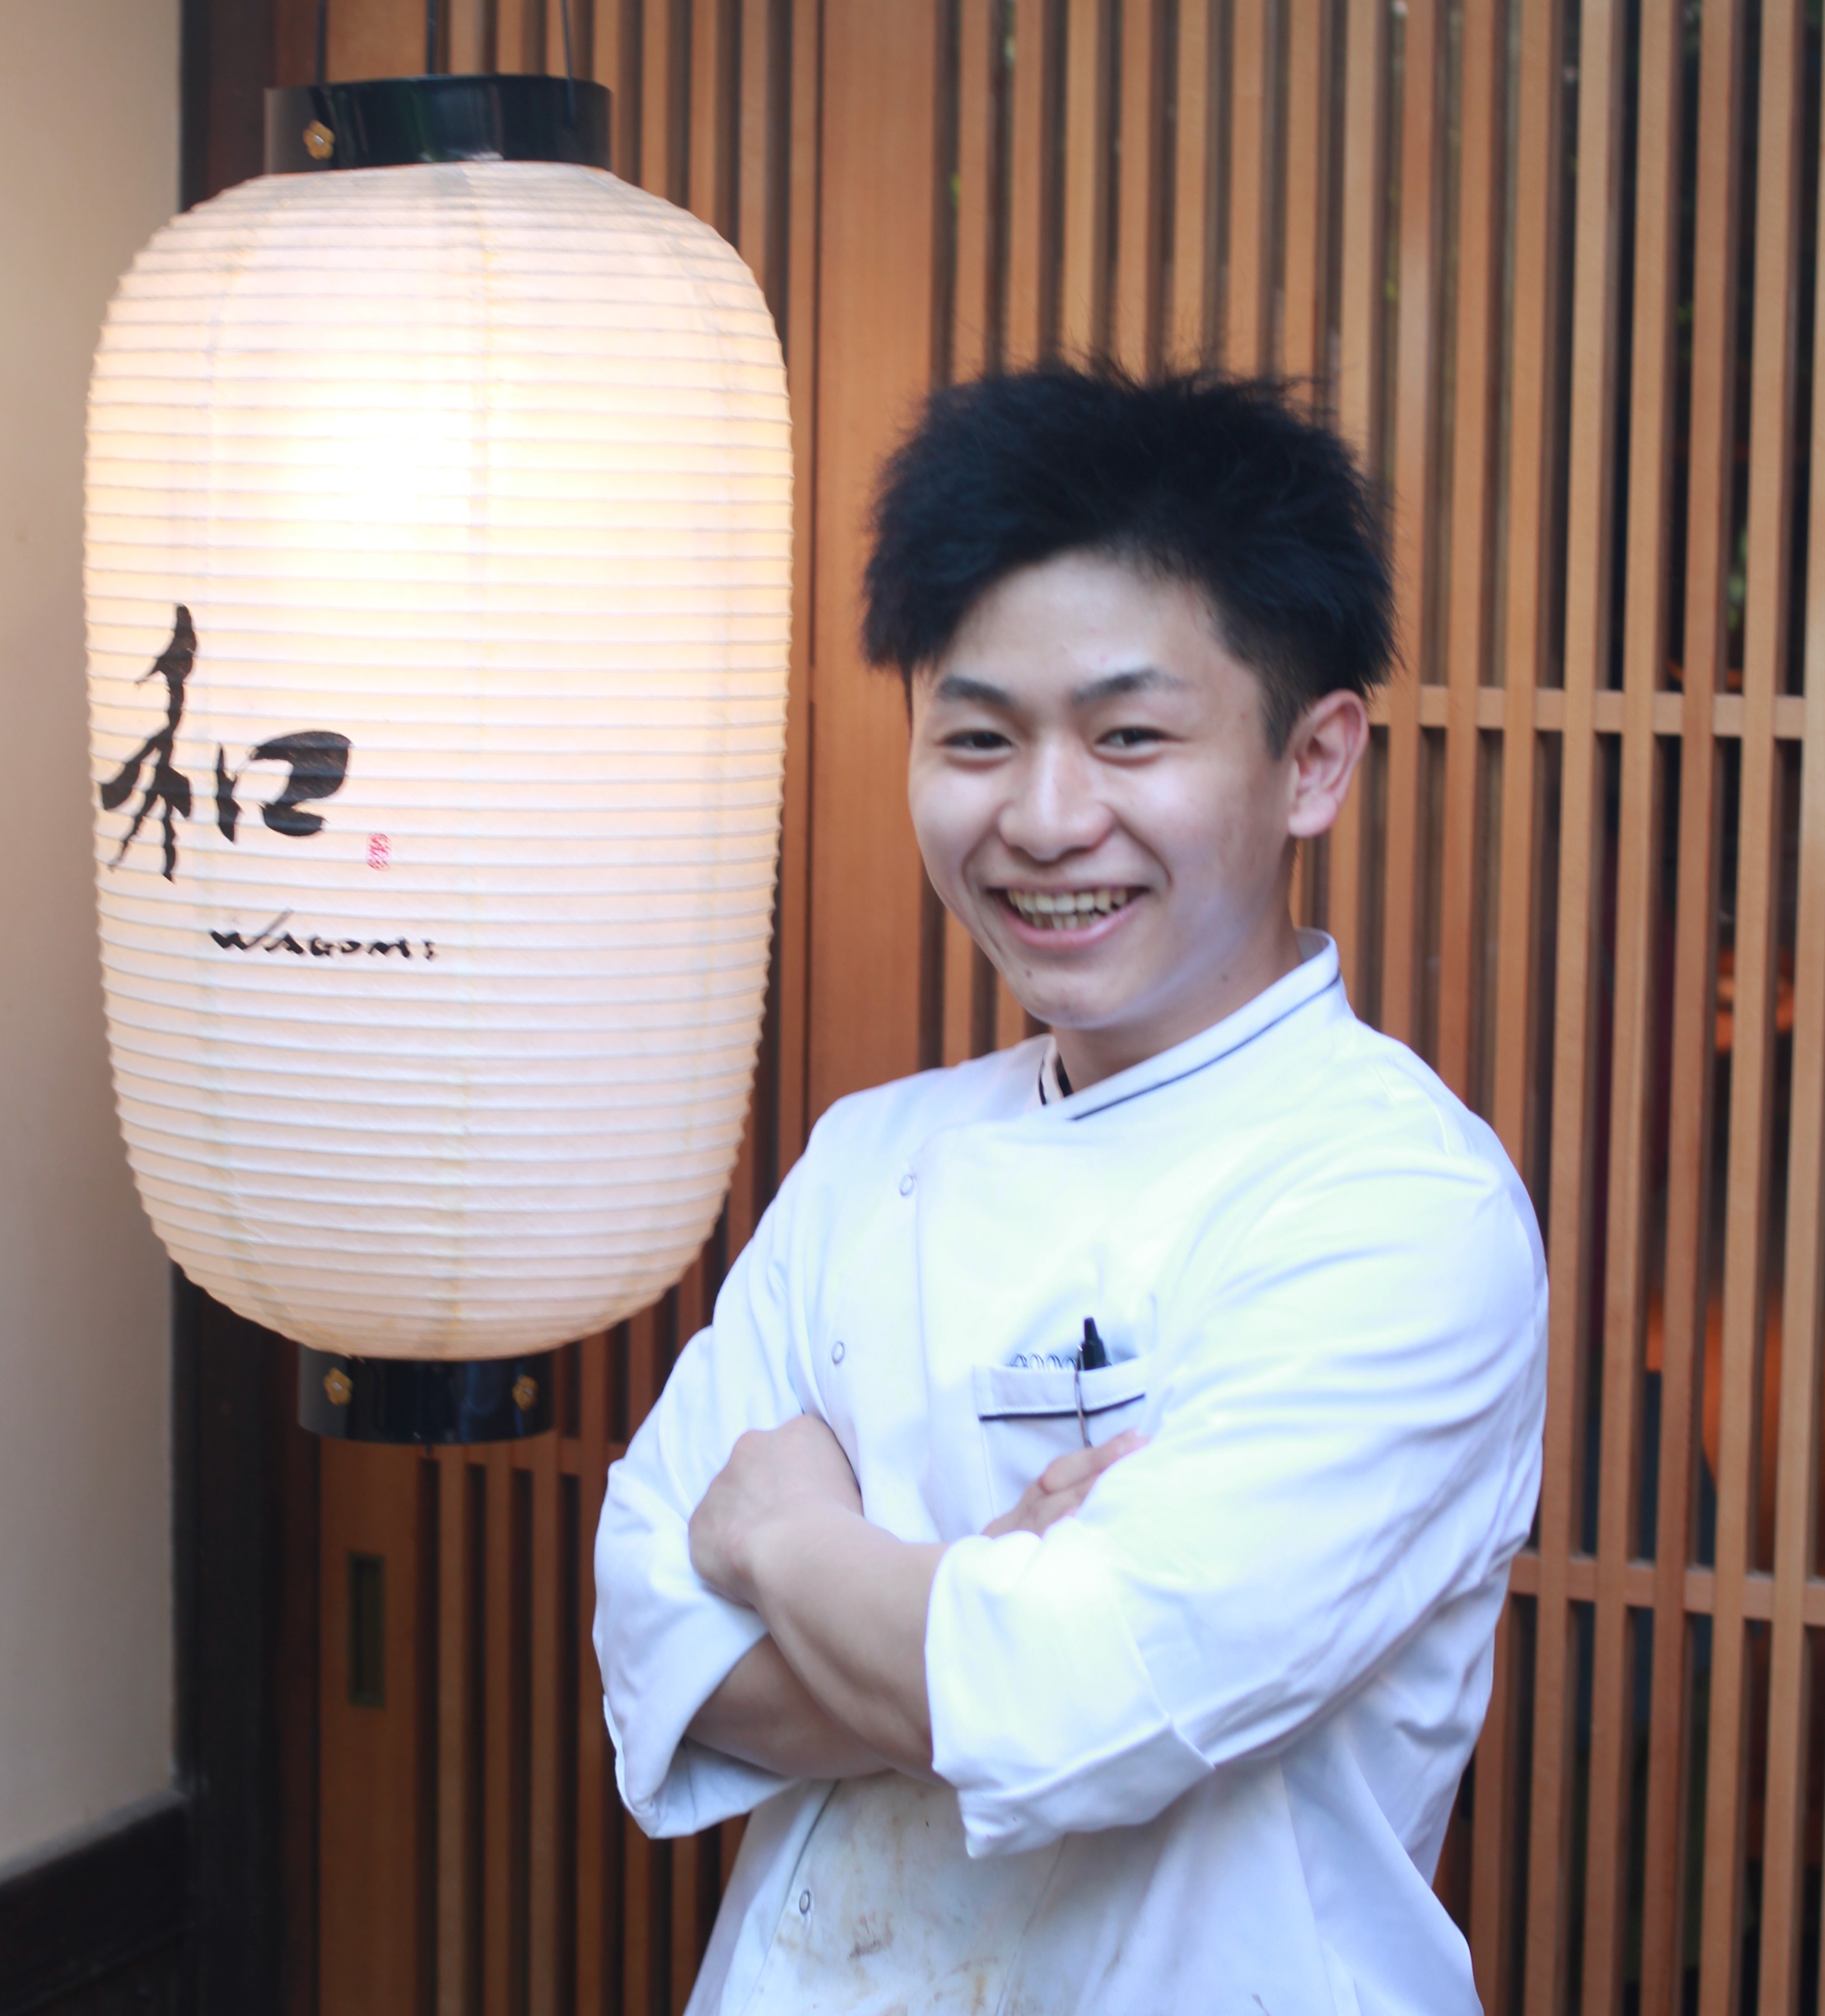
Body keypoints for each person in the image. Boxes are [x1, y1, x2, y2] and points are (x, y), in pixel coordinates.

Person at [592, 367, 1547, 2015]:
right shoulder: (869, 1160)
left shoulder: (1398, 1204)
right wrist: (983, 1608)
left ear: (1314, 762)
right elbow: (652, 1634)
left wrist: (788, 1537)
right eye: (978, 737)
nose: (1043, 818)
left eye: (1129, 737)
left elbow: (1089, 1700)